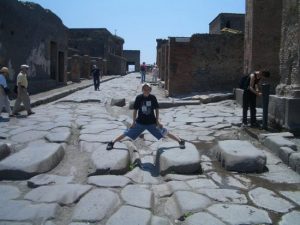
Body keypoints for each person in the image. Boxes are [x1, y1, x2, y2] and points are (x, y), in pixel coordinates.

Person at [106, 83, 185, 150]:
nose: (146, 91)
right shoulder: (139, 98)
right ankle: (112, 142)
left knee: (164, 131)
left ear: (150, 90)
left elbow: (156, 109)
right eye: (144, 89)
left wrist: (157, 121)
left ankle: (180, 141)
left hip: (152, 123)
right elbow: (135, 110)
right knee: (127, 132)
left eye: (148, 89)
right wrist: (133, 122)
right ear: (142, 90)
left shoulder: (153, 98)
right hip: (140, 122)